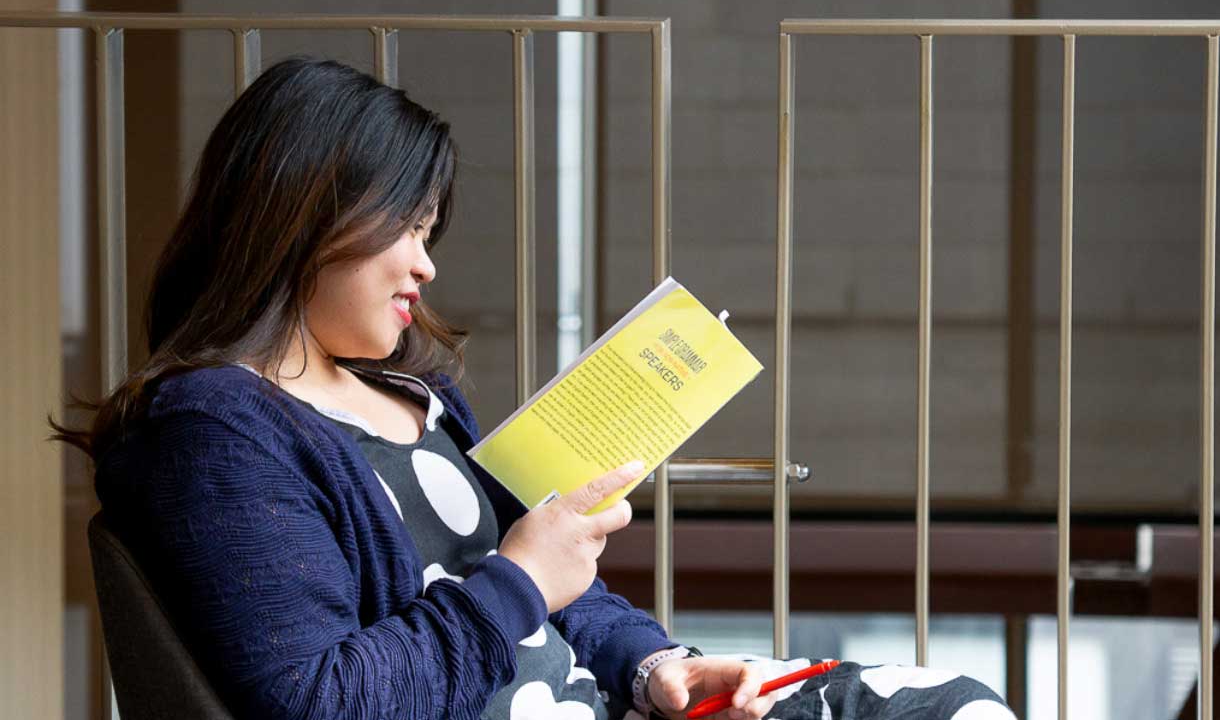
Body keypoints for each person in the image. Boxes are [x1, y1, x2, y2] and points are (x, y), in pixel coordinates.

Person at [51, 57, 1015, 720]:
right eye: (410, 227)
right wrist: (516, 580)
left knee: (960, 704)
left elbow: (557, 596)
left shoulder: (411, 394)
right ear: (307, 214)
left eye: (432, 232)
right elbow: (322, 701)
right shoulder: (212, 429)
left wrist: (660, 670)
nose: (426, 266)